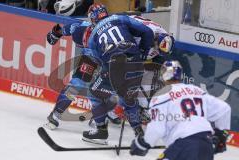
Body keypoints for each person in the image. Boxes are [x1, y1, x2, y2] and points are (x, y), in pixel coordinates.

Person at [81, 3, 156, 144]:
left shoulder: (92, 37)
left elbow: (99, 61)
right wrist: (144, 52)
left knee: (94, 92)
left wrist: (108, 74)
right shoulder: (120, 18)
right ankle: (139, 133)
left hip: (115, 65)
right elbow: (147, 32)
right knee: (128, 98)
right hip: (136, 63)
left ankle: (101, 131)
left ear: (93, 18)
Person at [129, 60, 231, 160]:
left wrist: (142, 144)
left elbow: (157, 129)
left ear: (164, 76)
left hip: (184, 145)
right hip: (206, 144)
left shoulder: (161, 96)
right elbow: (224, 109)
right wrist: (221, 136)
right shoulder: (196, 90)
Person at [45, 17, 121, 130]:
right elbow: (62, 30)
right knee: (76, 85)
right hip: (90, 59)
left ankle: (107, 113)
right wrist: (55, 33)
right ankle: (55, 114)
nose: (101, 22)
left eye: (104, 19)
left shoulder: (114, 28)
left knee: (109, 88)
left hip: (107, 61)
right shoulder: (79, 27)